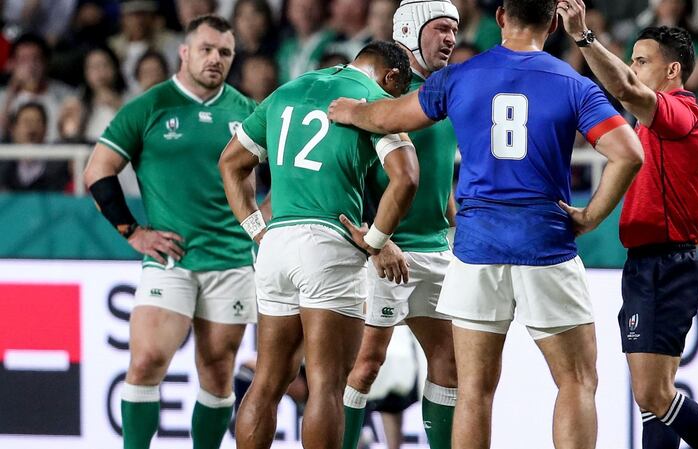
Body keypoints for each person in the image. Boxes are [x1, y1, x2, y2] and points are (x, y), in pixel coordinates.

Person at [327, 1, 644, 448]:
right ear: (553, 25)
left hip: (476, 248)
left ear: (500, 18)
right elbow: (629, 153)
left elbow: (388, 118)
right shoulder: (572, 84)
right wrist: (590, 217)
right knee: (576, 380)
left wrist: (350, 111)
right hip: (545, 243)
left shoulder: (458, 77)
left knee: (473, 390)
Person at [219, 40, 419, 449]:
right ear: (392, 77)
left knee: (268, 380)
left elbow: (230, 163)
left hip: (276, 245)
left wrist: (257, 229)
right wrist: (377, 240)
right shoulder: (374, 100)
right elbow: (407, 178)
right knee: (328, 385)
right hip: (329, 244)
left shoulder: (289, 90)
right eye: (399, 92)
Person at [83, 15, 258, 449]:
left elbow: (287, 173)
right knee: (145, 362)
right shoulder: (151, 105)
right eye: (206, 49)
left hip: (233, 259)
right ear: (184, 51)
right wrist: (133, 232)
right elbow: (98, 171)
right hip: (169, 259)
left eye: (225, 52)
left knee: (218, 372)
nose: (215, 58)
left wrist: (261, 222)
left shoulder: (248, 112)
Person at [558, 1, 698, 448]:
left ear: (672, 71)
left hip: (665, 265)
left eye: (641, 61)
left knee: (653, 392)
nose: (633, 69)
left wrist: (584, 37)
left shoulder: (683, 113)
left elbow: (628, 90)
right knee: (652, 397)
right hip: (650, 263)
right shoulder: (651, 124)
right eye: (632, 60)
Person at [340, 2, 460, 449]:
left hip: (435, 247)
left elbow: (438, 172)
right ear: (410, 29)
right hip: (383, 252)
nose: (450, 38)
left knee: (448, 363)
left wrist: (455, 221)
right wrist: (377, 240)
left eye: (455, 29)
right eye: (442, 28)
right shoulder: (374, 90)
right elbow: (342, 175)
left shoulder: (445, 90)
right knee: (367, 364)